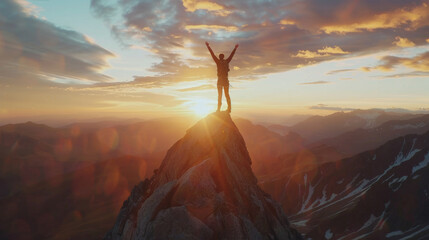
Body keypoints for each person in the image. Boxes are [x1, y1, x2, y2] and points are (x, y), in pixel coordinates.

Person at [205, 42, 238, 113]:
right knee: (227, 95)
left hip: (220, 81)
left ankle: (218, 109)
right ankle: (229, 109)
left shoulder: (218, 62)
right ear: (223, 57)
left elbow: (212, 54)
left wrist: (208, 46)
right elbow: (232, 55)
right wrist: (235, 48)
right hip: (225, 81)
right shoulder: (226, 61)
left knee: (219, 96)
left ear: (219, 57)